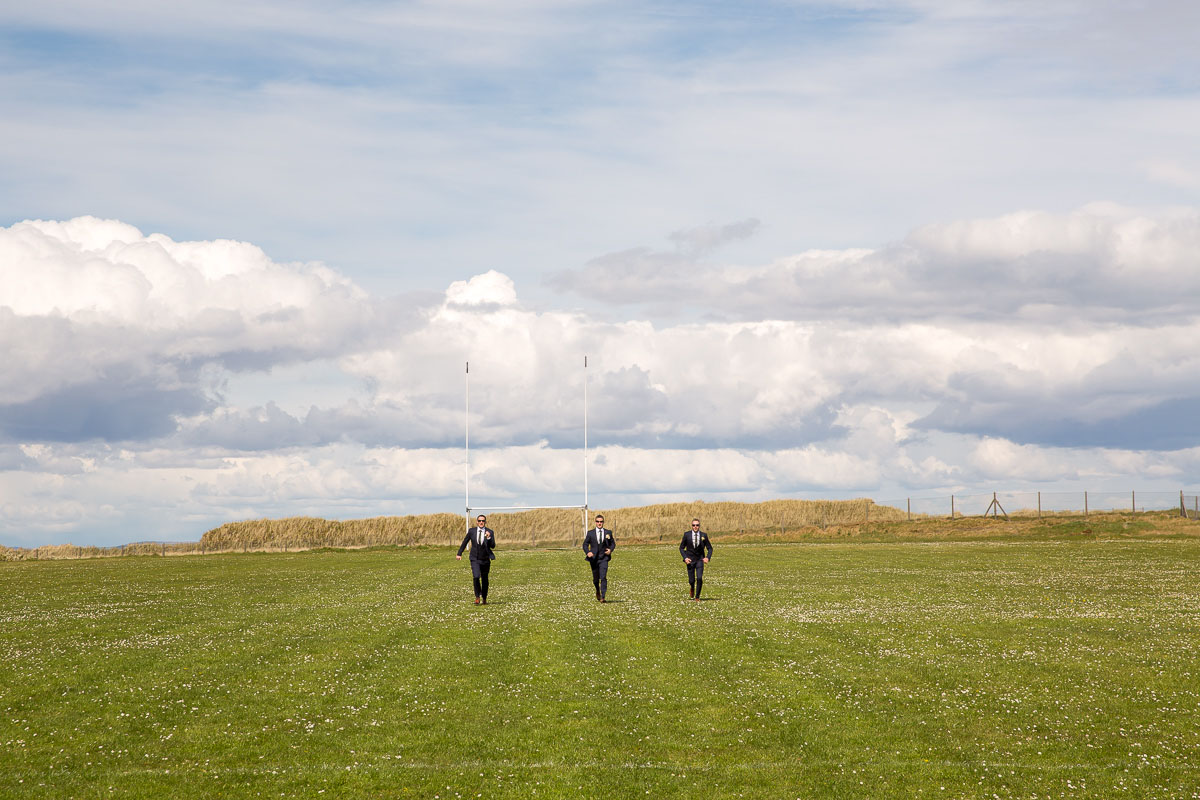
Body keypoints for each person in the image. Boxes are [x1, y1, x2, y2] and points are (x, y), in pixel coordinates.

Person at [457, 514, 496, 604]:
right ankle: (477, 596)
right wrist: (459, 553)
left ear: (485, 522)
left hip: (485, 559)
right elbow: (465, 542)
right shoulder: (472, 531)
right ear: (477, 522)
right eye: (479, 521)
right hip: (475, 558)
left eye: (483, 521)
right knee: (476, 576)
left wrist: (489, 538)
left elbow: (493, 546)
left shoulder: (490, 532)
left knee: (485, 579)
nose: (481, 522)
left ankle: (484, 598)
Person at [582, 513, 615, 601]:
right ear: (595, 522)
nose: (599, 523)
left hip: (604, 558)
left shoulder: (608, 532)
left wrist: (610, 550)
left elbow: (613, 543)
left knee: (603, 577)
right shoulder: (590, 533)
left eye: (601, 522)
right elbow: (585, 544)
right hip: (594, 559)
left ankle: (603, 597)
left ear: (603, 522)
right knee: (596, 579)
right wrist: (588, 552)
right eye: (598, 521)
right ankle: (597, 590)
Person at [679, 517, 713, 600]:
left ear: (699, 526)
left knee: (699, 578)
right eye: (693, 525)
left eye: (697, 525)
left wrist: (707, 557)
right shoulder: (686, 535)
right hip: (690, 561)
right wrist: (685, 558)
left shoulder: (703, 535)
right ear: (691, 526)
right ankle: (692, 588)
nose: (695, 527)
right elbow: (681, 548)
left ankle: (697, 597)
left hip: (699, 560)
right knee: (691, 580)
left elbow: (710, 548)